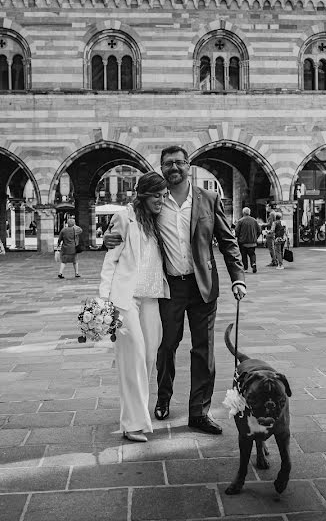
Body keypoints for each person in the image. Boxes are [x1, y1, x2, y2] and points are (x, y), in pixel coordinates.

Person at [104, 145, 246, 435]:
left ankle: (199, 412)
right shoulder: (157, 201)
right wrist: (109, 233)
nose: (174, 168)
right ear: (162, 167)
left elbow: (228, 240)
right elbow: (131, 218)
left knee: (203, 350)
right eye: (168, 163)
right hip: (169, 286)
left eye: (179, 162)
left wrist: (238, 277)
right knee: (165, 346)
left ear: (189, 164)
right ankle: (163, 398)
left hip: (203, 285)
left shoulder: (209, 198)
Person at [99, 172, 171, 443]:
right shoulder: (124, 217)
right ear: (143, 195)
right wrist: (106, 301)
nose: (161, 201)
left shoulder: (156, 220)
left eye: (164, 196)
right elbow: (111, 260)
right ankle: (132, 423)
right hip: (126, 298)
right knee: (134, 358)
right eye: (156, 196)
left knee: (150, 356)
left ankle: (138, 415)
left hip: (151, 297)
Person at [234, 207, 260, 273]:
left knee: (244, 255)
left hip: (243, 242)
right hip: (252, 241)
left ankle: (245, 268)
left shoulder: (240, 221)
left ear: (243, 213)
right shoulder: (254, 220)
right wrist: (255, 237)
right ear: (249, 213)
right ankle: (253, 263)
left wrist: (237, 237)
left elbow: (237, 231)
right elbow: (259, 230)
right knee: (252, 254)